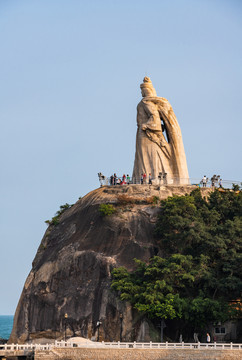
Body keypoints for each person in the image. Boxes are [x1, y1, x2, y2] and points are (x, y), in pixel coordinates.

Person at [132, 77, 189, 185]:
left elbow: (155, 117)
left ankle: (154, 176)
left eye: (142, 90)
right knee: (145, 156)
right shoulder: (144, 102)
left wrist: (146, 125)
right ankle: (144, 176)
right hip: (144, 133)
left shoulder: (145, 103)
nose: (141, 92)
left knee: (151, 155)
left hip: (148, 134)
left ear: (146, 90)